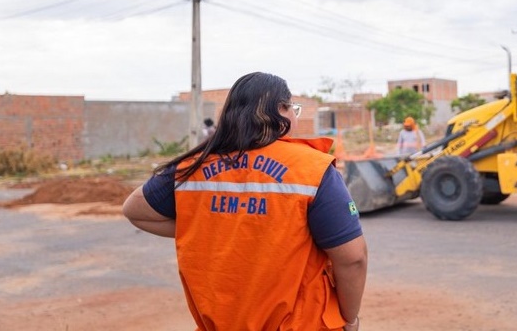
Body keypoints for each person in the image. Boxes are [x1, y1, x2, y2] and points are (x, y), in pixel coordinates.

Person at [123, 72, 367, 331]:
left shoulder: (195, 165)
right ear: (282, 110)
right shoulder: (311, 168)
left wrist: (208, 227)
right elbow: (353, 258)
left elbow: (135, 210)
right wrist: (349, 318)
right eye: (293, 108)